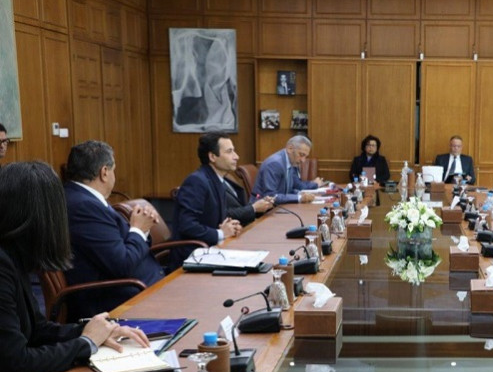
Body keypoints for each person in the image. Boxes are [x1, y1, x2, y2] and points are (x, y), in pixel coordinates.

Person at [0, 161, 149, 372]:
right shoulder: (3, 264)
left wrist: (93, 331)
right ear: (42, 216)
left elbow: (36, 330)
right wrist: (85, 344)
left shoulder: (13, 255)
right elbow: (15, 363)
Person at [63, 141, 165, 320]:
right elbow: (122, 264)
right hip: (120, 298)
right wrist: (138, 229)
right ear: (104, 172)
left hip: (137, 284)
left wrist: (142, 228)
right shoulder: (84, 206)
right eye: (113, 170)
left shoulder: (83, 198)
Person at [170, 133, 243, 269]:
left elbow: (212, 218)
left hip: (212, 251)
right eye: (229, 151)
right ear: (212, 157)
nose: (236, 156)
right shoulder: (197, 181)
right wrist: (221, 233)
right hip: (192, 257)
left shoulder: (216, 179)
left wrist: (230, 227)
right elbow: (187, 225)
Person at [251, 135, 324, 205]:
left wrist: (300, 194)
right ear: (290, 148)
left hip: (279, 207)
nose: (303, 160)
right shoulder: (275, 164)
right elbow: (271, 196)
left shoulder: (290, 162)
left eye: (305, 156)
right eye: (301, 155)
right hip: (263, 210)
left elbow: (288, 190)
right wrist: (299, 198)